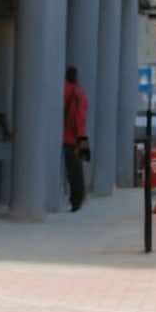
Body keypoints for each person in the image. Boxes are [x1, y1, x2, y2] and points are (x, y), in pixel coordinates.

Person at [62, 66, 88, 213]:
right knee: (78, 170)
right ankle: (79, 198)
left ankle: (74, 199)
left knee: (71, 170)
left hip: (68, 136)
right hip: (81, 137)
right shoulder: (81, 93)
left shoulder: (66, 89)